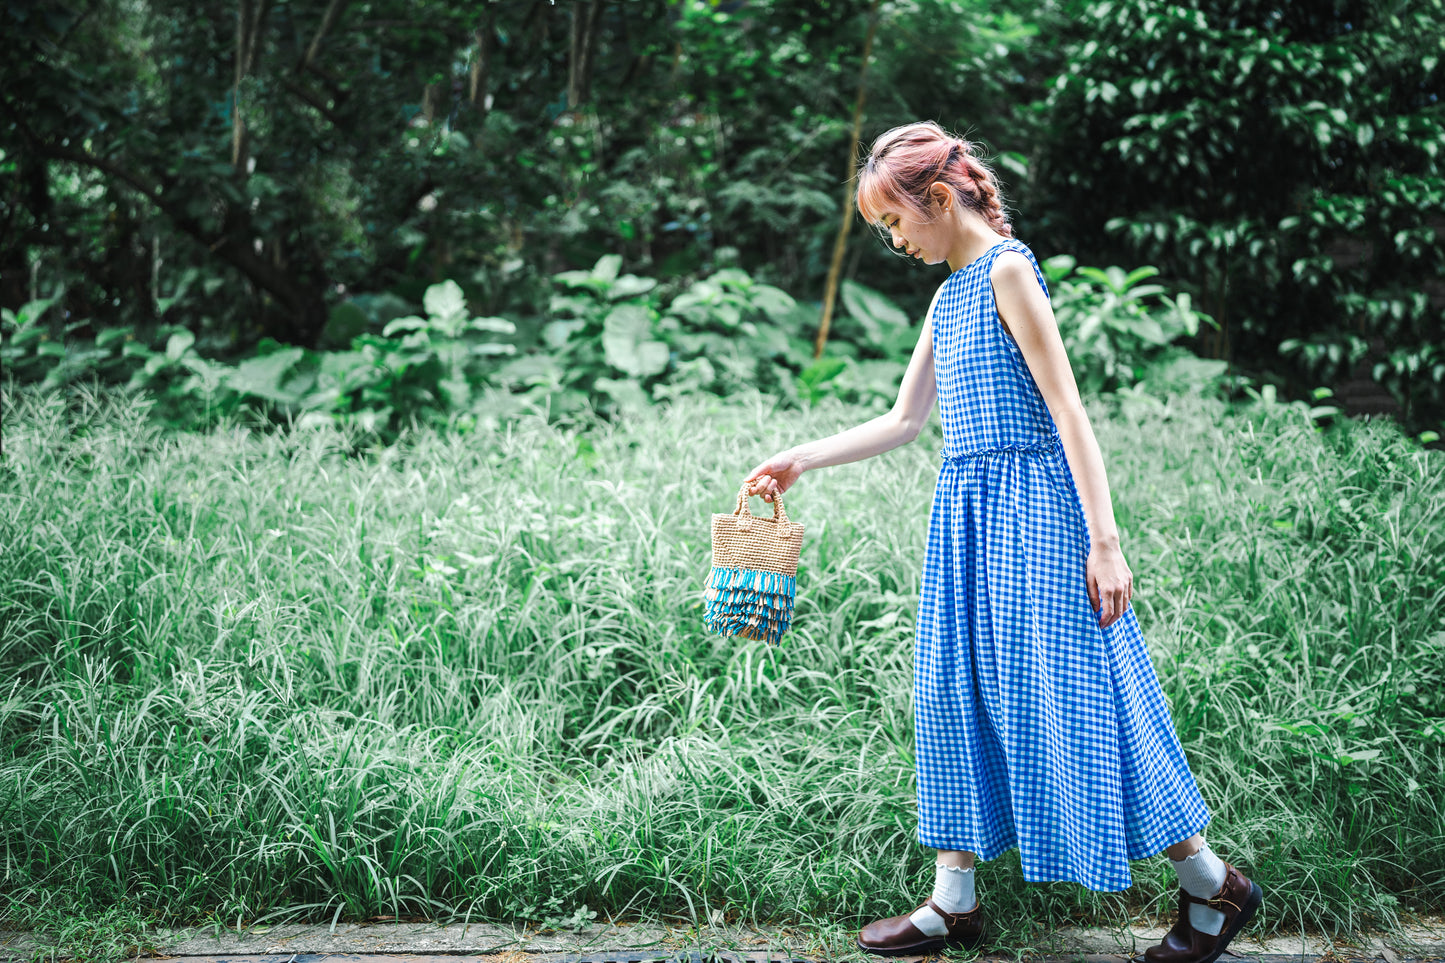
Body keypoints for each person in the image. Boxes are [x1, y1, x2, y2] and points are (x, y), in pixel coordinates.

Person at [741, 121, 1264, 961]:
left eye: (897, 223)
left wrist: (1106, 541)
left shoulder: (1007, 274)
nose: (894, 241)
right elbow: (906, 420)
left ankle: (1212, 884)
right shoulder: (947, 296)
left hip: (1040, 518)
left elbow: (1066, 410)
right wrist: (800, 457)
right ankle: (953, 901)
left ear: (940, 200)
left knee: (1079, 696)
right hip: (967, 520)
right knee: (953, 690)